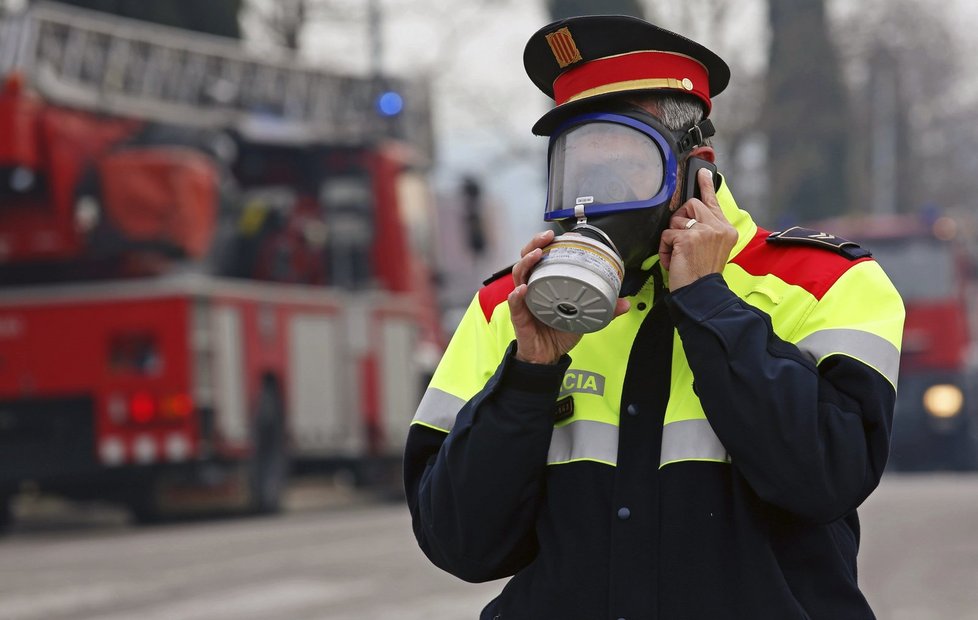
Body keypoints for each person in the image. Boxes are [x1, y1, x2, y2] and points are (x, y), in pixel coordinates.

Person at [404, 14, 904, 620]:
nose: (596, 201)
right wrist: (529, 376)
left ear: (695, 170)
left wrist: (709, 304)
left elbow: (826, 477)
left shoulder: (827, 284)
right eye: (578, 172)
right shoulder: (506, 310)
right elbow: (460, 543)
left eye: (624, 170)